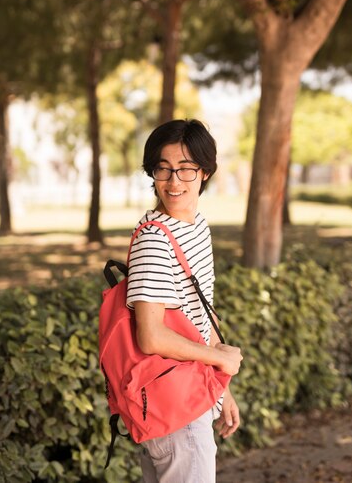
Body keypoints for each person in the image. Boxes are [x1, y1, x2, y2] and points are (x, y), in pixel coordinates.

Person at [126, 118, 243, 483]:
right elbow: (151, 336)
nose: (174, 182)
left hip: (192, 399)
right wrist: (220, 358)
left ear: (205, 172)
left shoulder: (196, 226)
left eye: (186, 169)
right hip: (176, 412)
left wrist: (221, 392)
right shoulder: (155, 241)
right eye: (163, 169)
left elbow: (200, 319)